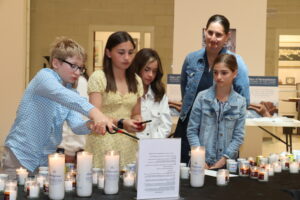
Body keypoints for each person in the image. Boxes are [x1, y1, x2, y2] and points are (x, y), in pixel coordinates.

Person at [4, 37, 113, 175]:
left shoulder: (70, 91)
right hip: (19, 156)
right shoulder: (44, 77)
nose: (78, 72)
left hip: (44, 161)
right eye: (73, 66)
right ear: (56, 63)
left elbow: (76, 125)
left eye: (81, 68)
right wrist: (96, 113)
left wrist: (90, 125)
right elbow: (66, 97)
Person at [174, 14, 250, 164]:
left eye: (219, 34)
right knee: (186, 171)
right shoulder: (191, 59)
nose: (213, 38)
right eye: (210, 32)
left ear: (227, 37)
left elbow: (243, 98)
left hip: (220, 129)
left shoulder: (237, 63)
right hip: (190, 126)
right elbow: (185, 90)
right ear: (205, 32)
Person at [85, 31, 145, 168]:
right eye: (121, 52)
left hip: (128, 143)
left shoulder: (136, 80)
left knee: (128, 185)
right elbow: (96, 115)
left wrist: (139, 122)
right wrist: (122, 123)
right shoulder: (99, 77)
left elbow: (136, 113)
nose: (127, 57)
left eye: (131, 52)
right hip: (103, 141)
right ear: (108, 53)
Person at [187, 54, 246, 169]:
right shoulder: (202, 97)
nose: (218, 77)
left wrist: (222, 161)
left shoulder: (240, 102)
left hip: (226, 164)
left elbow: (238, 136)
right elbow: (192, 131)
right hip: (201, 163)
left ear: (235, 73)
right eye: (215, 72)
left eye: (224, 73)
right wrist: (199, 159)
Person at [131, 48, 172, 139]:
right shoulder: (128, 93)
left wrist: (151, 144)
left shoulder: (159, 94)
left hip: (153, 148)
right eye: (147, 69)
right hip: (132, 147)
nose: (151, 75)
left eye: (154, 71)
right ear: (138, 68)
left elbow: (166, 125)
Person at [57, 72, 89, 163]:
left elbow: (81, 117)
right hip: (53, 149)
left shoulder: (80, 82)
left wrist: (70, 151)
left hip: (68, 150)